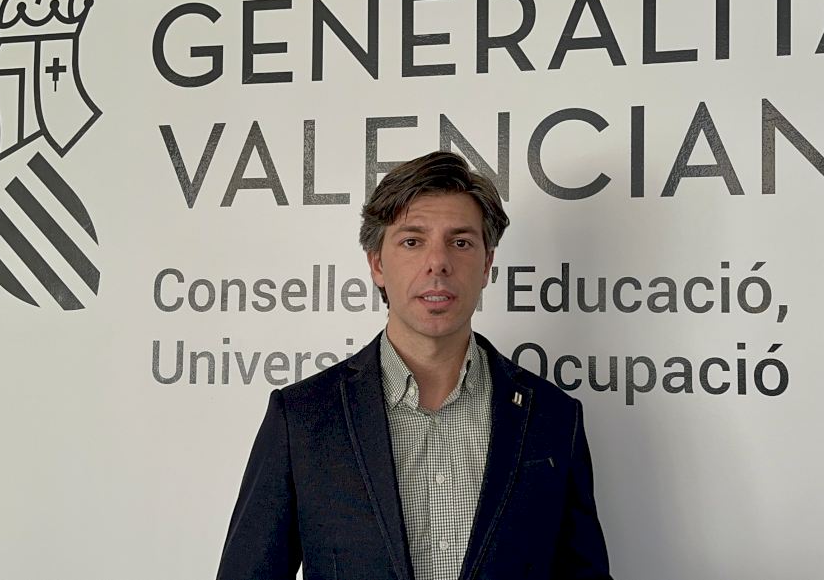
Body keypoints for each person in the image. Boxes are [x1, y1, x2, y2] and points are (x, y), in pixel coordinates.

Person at [216, 151, 612, 580]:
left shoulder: (554, 417)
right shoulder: (302, 417)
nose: (437, 262)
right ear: (377, 264)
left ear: (487, 265)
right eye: (412, 241)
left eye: (460, 242)